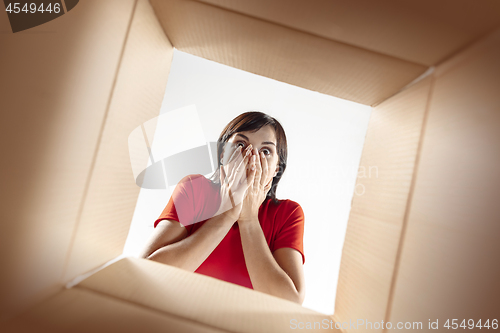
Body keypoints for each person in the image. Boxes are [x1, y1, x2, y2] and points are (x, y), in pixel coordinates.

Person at [138, 111, 305, 304]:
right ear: (222, 154)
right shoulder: (194, 189)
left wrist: (249, 219)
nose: (250, 157)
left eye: (265, 151)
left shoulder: (287, 214)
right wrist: (227, 214)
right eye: (240, 145)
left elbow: (290, 301)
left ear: (276, 169)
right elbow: (145, 270)